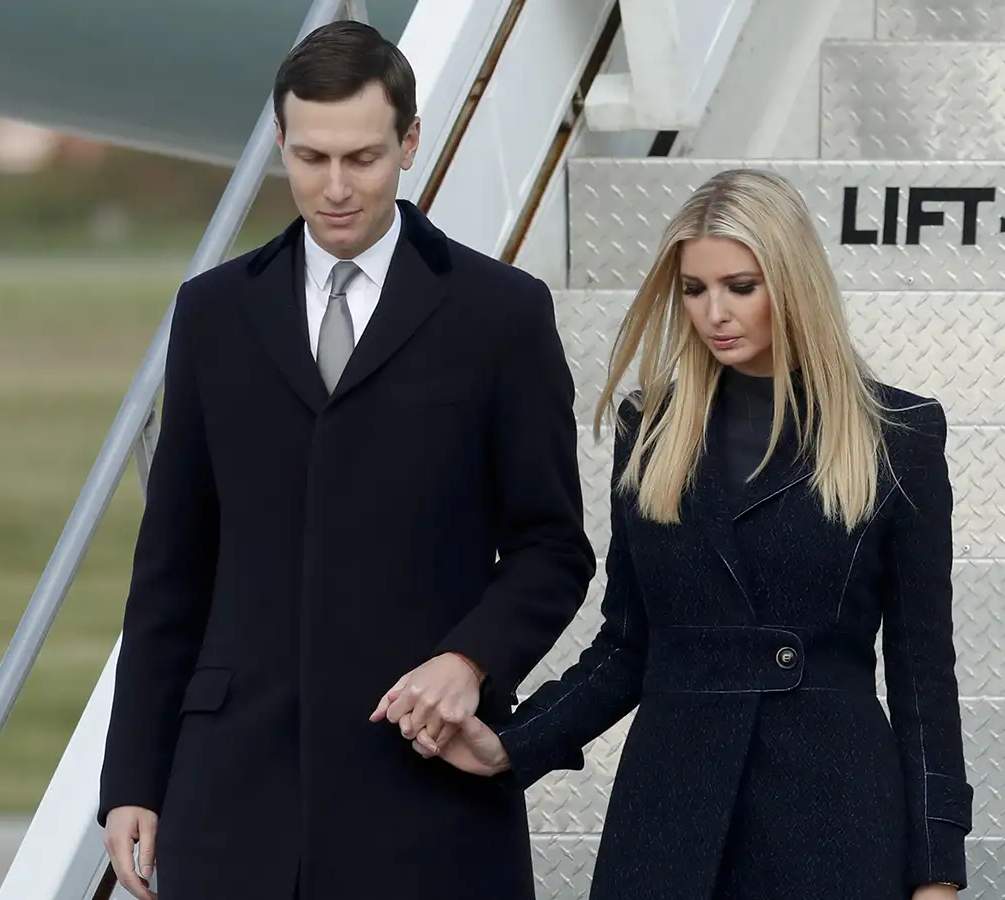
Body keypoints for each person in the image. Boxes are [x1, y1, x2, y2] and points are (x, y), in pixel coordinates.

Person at [96, 20, 596, 900]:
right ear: (279, 141)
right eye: (311, 157)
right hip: (234, 797)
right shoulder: (212, 313)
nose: (334, 188)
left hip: (423, 794)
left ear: (410, 143)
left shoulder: (501, 315)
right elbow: (172, 565)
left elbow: (552, 549)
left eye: (362, 158)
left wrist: (469, 661)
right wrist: (133, 778)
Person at [399, 169, 975, 899]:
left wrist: (937, 875)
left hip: (833, 816)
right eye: (694, 290)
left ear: (793, 283)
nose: (714, 313)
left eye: (740, 286)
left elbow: (924, 676)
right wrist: (511, 745)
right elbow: (629, 645)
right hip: (670, 816)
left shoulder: (897, 435)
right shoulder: (652, 429)